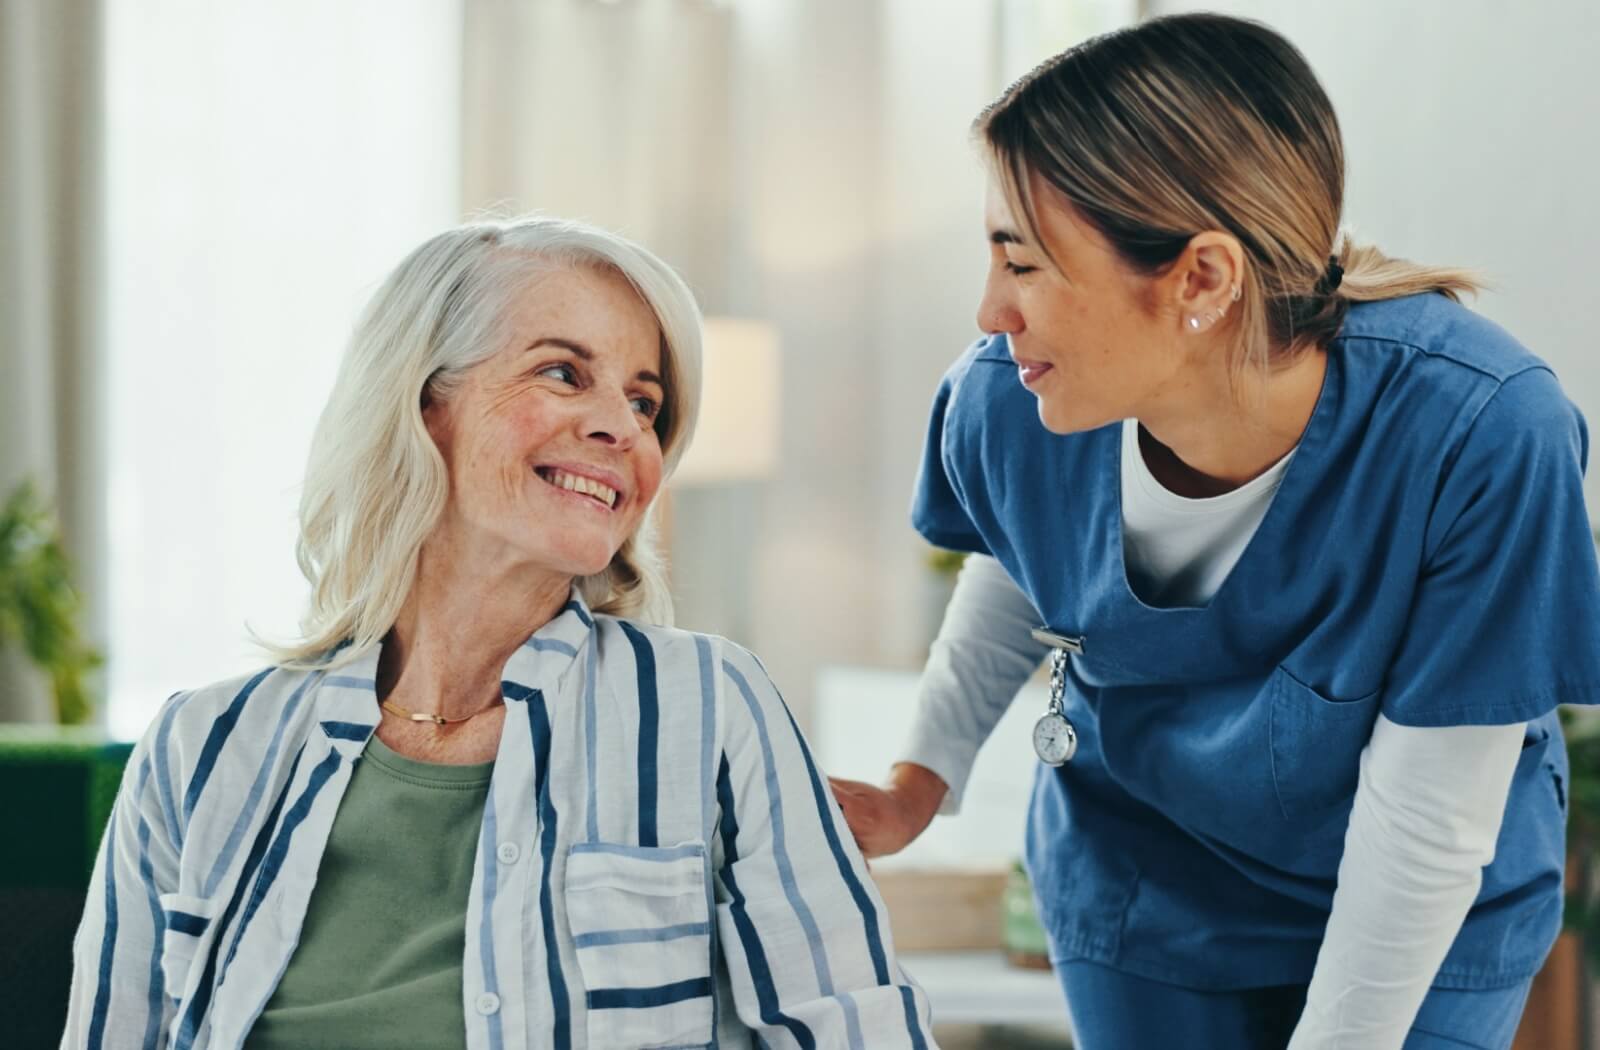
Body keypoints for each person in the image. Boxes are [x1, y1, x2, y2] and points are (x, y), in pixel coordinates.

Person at [829, 13, 1600, 1050]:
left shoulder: (1479, 435)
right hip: (1148, 882)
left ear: (1199, 277)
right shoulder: (1008, 399)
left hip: (1423, 895)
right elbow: (1030, 561)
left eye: (1023, 263)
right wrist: (915, 781)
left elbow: (1425, 820)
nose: (989, 311)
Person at [62, 216, 935, 1050]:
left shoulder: (709, 706)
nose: (621, 428)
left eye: (645, 401)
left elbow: (856, 1026)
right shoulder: (199, 749)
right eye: (563, 372)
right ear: (422, 401)